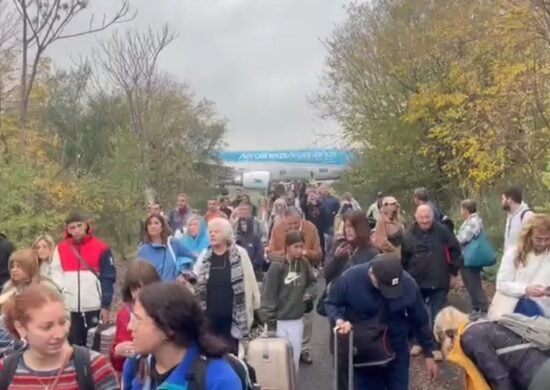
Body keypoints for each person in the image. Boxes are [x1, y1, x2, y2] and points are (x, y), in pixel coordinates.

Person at [326, 256, 438, 390]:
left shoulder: (408, 284)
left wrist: (428, 353)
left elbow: (420, 320)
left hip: (396, 347)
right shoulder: (350, 279)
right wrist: (339, 320)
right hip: (365, 351)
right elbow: (332, 303)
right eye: (384, 286)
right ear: (371, 274)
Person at [122, 282, 242, 389]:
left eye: (138, 319)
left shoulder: (218, 379)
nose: (130, 327)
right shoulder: (136, 366)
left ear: (168, 329)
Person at [0, 284, 118, 389]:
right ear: (21, 327)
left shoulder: (95, 367)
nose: (60, 334)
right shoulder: (4, 372)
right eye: (47, 327)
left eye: (63, 322)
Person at [323, 211, 380, 390]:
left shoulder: (371, 252)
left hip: (360, 316)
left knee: (360, 366)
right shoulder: (340, 245)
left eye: (352, 227)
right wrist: (336, 258)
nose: (348, 231)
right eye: (346, 226)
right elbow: (326, 274)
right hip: (339, 311)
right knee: (340, 362)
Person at [434, 306, 550, 390]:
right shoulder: (481, 324)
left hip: (535, 377)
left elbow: (499, 376)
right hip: (542, 364)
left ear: (448, 333)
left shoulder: (470, 337)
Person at [401, 204, 462, 359]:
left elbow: (456, 250)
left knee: (437, 314)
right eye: (421, 217)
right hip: (417, 281)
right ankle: (418, 342)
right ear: (416, 217)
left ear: (432, 217)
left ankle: (435, 347)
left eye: (427, 217)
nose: (425, 220)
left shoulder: (443, 231)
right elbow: (404, 259)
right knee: (417, 313)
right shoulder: (408, 234)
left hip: (439, 279)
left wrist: (453, 272)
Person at [193, 218, 260, 355]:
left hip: (233, 318)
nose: (212, 234)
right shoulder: (205, 257)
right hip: (210, 319)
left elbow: (251, 282)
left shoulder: (240, 254)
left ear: (225, 234)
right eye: (210, 232)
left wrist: (256, 304)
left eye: (216, 231)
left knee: (232, 357)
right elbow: (195, 280)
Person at [266, 207, 322, 365]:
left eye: (295, 223)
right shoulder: (277, 230)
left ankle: (304, 348)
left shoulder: (311, 229)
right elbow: (269, 253)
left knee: (306, 318)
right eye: (289, 224)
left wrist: (303, 252)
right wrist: (286, 254)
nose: (292, 226)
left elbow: (318, 254)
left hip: (305, 273)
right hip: (284, 276)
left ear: (301, 219)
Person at [51, 212, 116, 346]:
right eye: (72, 227)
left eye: (79, 226)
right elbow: (55, 271)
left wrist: (106, 305)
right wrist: (64, 288)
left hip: (94, 306)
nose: (76, 230)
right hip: (70, 307)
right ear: (68, 230)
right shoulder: (61, 248)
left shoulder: (101, 248)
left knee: (93, 345)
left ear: (86, 226)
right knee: (73, 346)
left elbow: (108, 278)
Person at [260, 231, 317, 372]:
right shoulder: (277, 267)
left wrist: (308, 295)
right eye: (296, 246)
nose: (299, 250)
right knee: (279, 366)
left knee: (294, 363)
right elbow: (268, 296)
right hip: (279, 321)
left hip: (297, 320)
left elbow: (313, 283)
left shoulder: (304, 263)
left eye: (301, 247)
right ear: (287, 246)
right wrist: (270, 325)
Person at [490, 214, 550, 318]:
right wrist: (525, 289)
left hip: (544, 310)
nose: (543, 243)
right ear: (529, 236)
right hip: (514, 307)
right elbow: (501, 284)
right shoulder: (514, 254)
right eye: (539, 239)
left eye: (547, 239)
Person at [110, 260, 161, 374]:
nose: (139, 293)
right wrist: (117, 352)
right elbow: (117, 363)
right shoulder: (124, 314)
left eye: (144, 288)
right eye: (134, 289)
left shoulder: (163, 311)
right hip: (131, 373)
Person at [137, 214, 197, 282]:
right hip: (153, 290)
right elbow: (139, 276)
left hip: (173, 290)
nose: (152, 226)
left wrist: (184, 270)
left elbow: (194, 256)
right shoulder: (143, 251)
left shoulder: (173, 244)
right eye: (149, 224)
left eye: (156, 223)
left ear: (162, 227)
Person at [456, 199, 489, 319]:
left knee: (474, 283)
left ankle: (482, 308)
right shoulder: (469, 221)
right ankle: (476, 307)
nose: (460, 212)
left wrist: (454, 239)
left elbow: (463, 238)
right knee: (469, 283)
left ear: (465, 210)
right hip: (466, 257)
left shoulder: (473, 222)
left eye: (461, 209)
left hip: (471, 257)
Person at [502, 186, 535, 252]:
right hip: (509, 258)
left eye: (503, 199)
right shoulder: (510, 216)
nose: (502, 202)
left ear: (509, 200)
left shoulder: (527, 215)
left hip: (521, 259)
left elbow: (532, 241)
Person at [235, 216, 266, 281]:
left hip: (253, 270)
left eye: (245, 224)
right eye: (242, 224)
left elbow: (260, 254)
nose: (243, 226)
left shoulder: (255, 238)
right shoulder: (238, 239)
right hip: (240, 270)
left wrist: (254, 265)